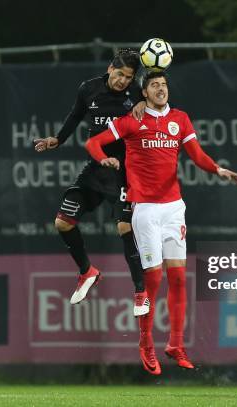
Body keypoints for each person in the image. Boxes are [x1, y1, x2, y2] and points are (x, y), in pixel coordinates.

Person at [85, 71, 237, 375]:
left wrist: (218, 170)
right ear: (144, 93)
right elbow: (93, 143)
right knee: (154, 280)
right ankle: (145, 342)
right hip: (145, 209)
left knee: (179, 278)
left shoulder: (180, 118)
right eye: (154, 85)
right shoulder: (132, 120)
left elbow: (196, 155)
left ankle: (175, 344)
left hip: (174, 208)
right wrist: (103, 158)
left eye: (164, 85)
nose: (161, 89)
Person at [34, 50, 152, 317]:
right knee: (62, 222)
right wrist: (59, 139)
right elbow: (75, 116)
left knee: (124, 227)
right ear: (110, 69)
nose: (123, 81)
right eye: (119, 74)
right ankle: (87, 271)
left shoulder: (137, 93)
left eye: (128, 77)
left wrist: (146, 102)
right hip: (97, 169)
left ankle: (140, 293)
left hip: (125, 171)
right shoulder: (89, 88)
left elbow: (160, 96)